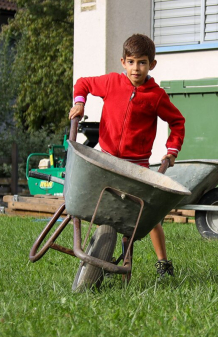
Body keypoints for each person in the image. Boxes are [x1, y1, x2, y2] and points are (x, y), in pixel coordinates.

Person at [69, 34, 185, 276]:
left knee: (148, 217)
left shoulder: (156, 96)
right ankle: (103, 254)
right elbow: (83, 83)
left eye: (142, 62)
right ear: (123, 62)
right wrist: (80, 103)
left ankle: (163, 262)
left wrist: (172, 151)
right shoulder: (111, 83)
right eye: (131, 62)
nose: (136, 68)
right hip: (107, 161)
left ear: (152, 65)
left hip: (137, 165)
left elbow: (177, 121)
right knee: (104, 211)